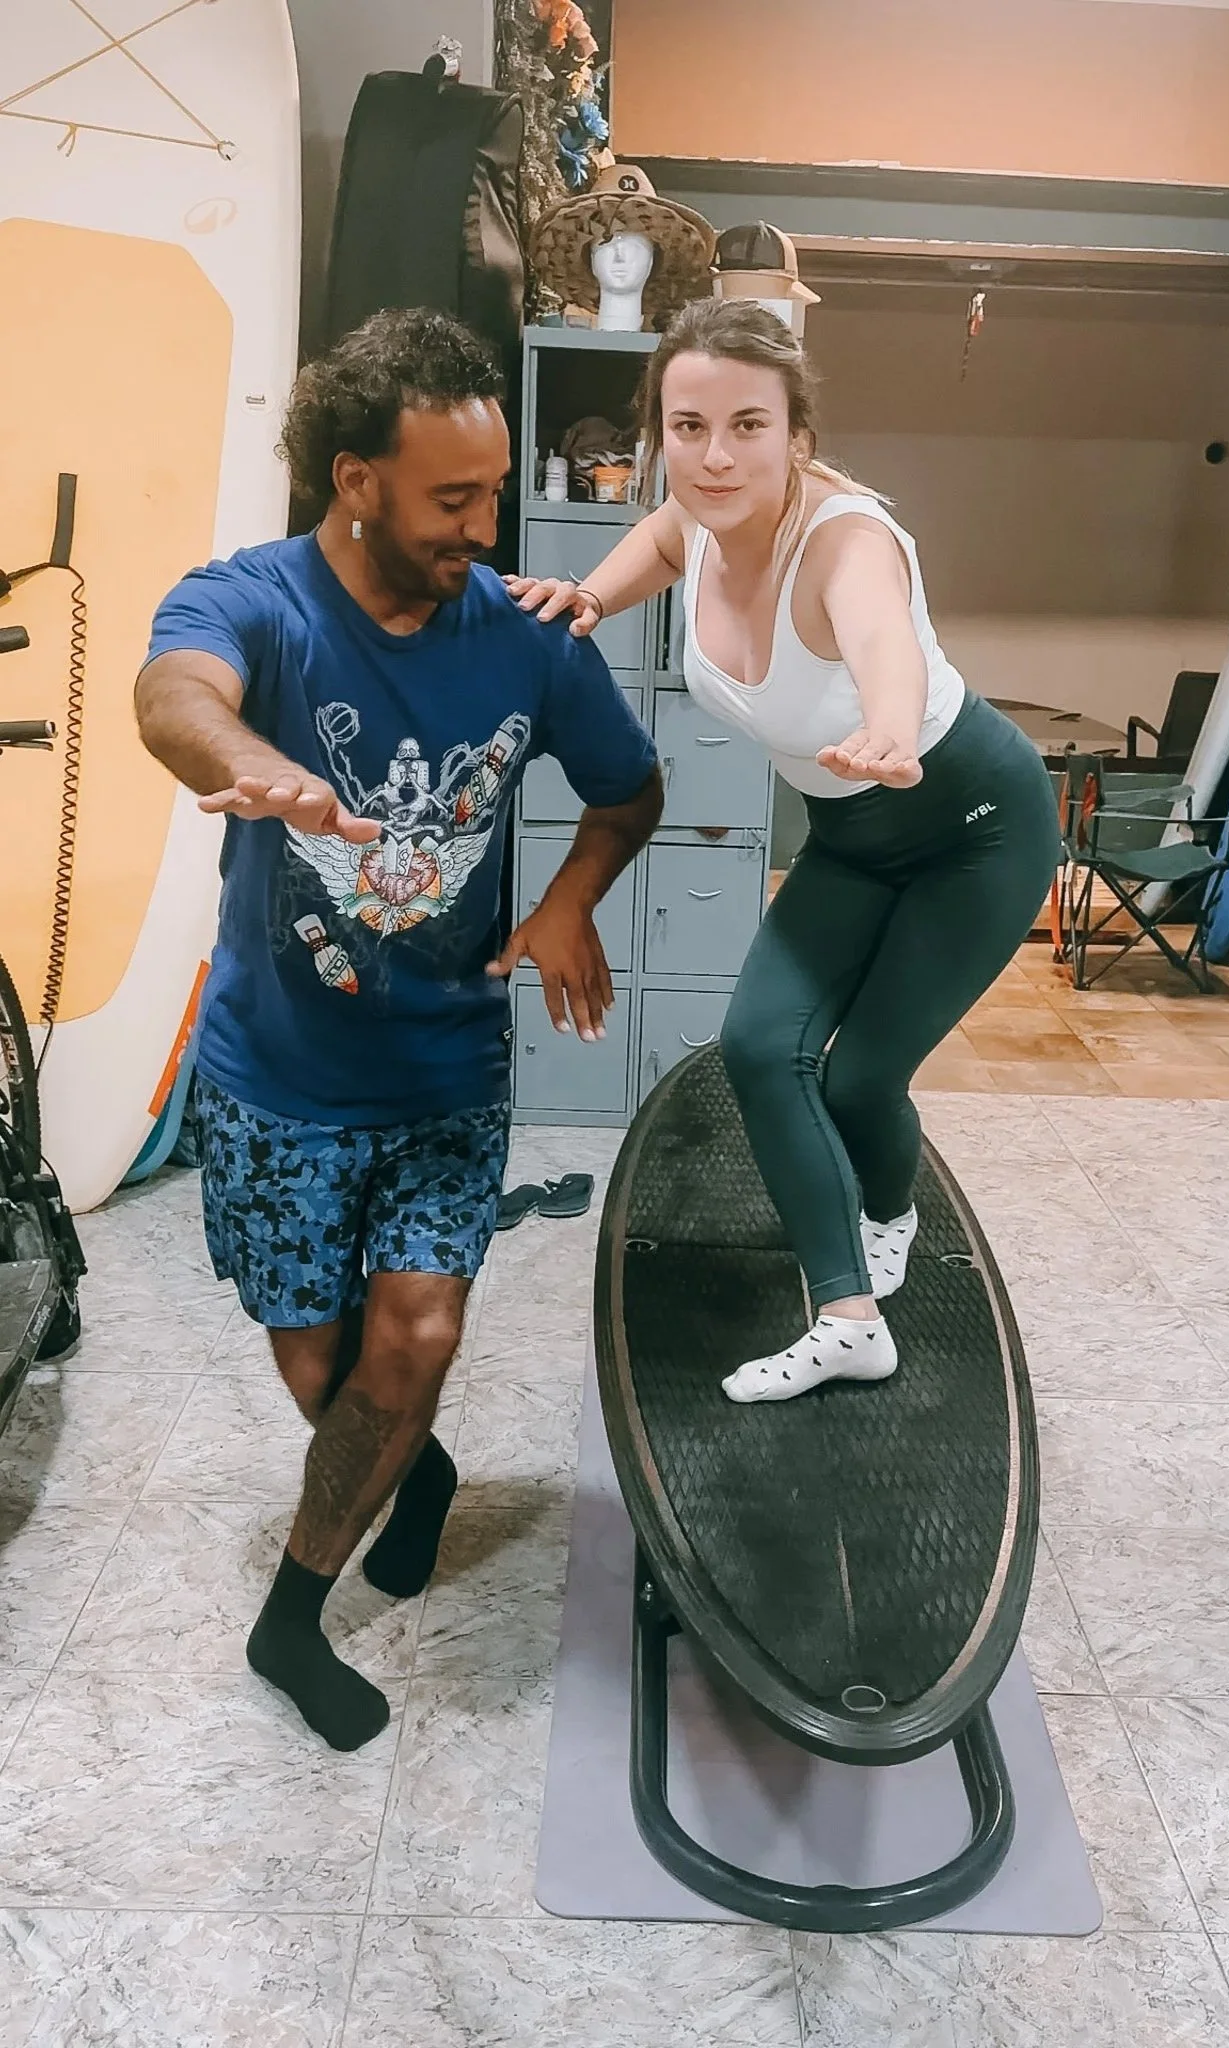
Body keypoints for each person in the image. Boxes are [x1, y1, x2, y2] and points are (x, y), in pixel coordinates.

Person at [135, 308, 662, 1749]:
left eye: (491, 492)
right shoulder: (251, 599)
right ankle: (406, 1475)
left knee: (414, 1336)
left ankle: (290, 1619)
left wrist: (565, 904)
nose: (486, 528)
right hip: (277, 1080)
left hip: (444, 1069)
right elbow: (172, 694)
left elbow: (630, 792)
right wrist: (259, 768)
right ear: (353, 478)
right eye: (453, 499)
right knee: (323, 1362)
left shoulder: (527, 639)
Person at [508, 297, 1059, 1405]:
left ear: (797, 436)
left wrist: (892, 724)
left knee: (861, 1077)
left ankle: (889, 1215)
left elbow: (880, 640)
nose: (715, 455)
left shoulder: (845, 540)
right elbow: (663, 539)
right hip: (856, 831)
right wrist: (591, 594)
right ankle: (851, 1316)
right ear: (661, 430)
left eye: (748, 426)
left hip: (972, 827)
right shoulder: (695, 508)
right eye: (689, 424)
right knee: (762, 1047)